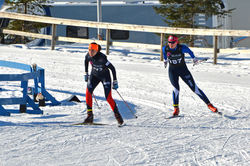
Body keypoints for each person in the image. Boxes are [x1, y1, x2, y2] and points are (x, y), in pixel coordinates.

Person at [163, 35, 218, 116]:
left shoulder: (181, 48)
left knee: (195, 89)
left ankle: (210, 105)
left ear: (176, 42)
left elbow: (190, 52)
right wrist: (165, 60)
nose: (171, 44)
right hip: (172, 71)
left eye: (173, 42)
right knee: (176, 89)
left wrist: (194, 58)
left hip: (183, 70)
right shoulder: (165, 48)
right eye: (169, 42)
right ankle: (176, 109)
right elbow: (165, 55)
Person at [84, 42, 124, 125]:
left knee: (108, 97)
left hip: (105, 77)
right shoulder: (88, 55)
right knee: (88, 93)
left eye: (93, 51)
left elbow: (112, 68)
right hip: (94, 76)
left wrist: (115, 81)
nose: (90, 52)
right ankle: (89, 115)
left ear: (97, 50)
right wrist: (86, 73)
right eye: (89, 50)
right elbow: (86, 61)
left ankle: (118, 115)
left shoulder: (102, 58)